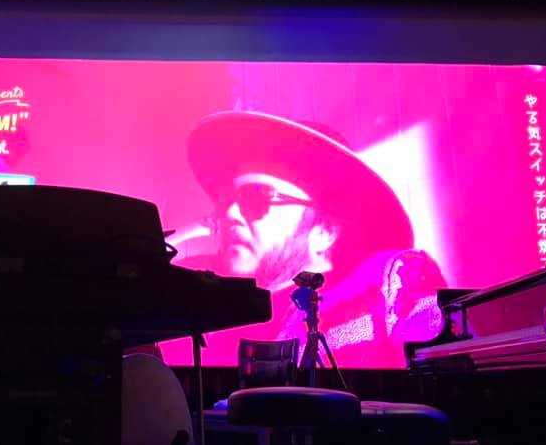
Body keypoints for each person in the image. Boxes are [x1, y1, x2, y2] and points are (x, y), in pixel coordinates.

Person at [173, 111, 446, 369]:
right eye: (225, 202)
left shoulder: (390, 282)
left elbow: (438, 383)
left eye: (256, 198)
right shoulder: (212, 316)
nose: (230, 214)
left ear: (324, 231)